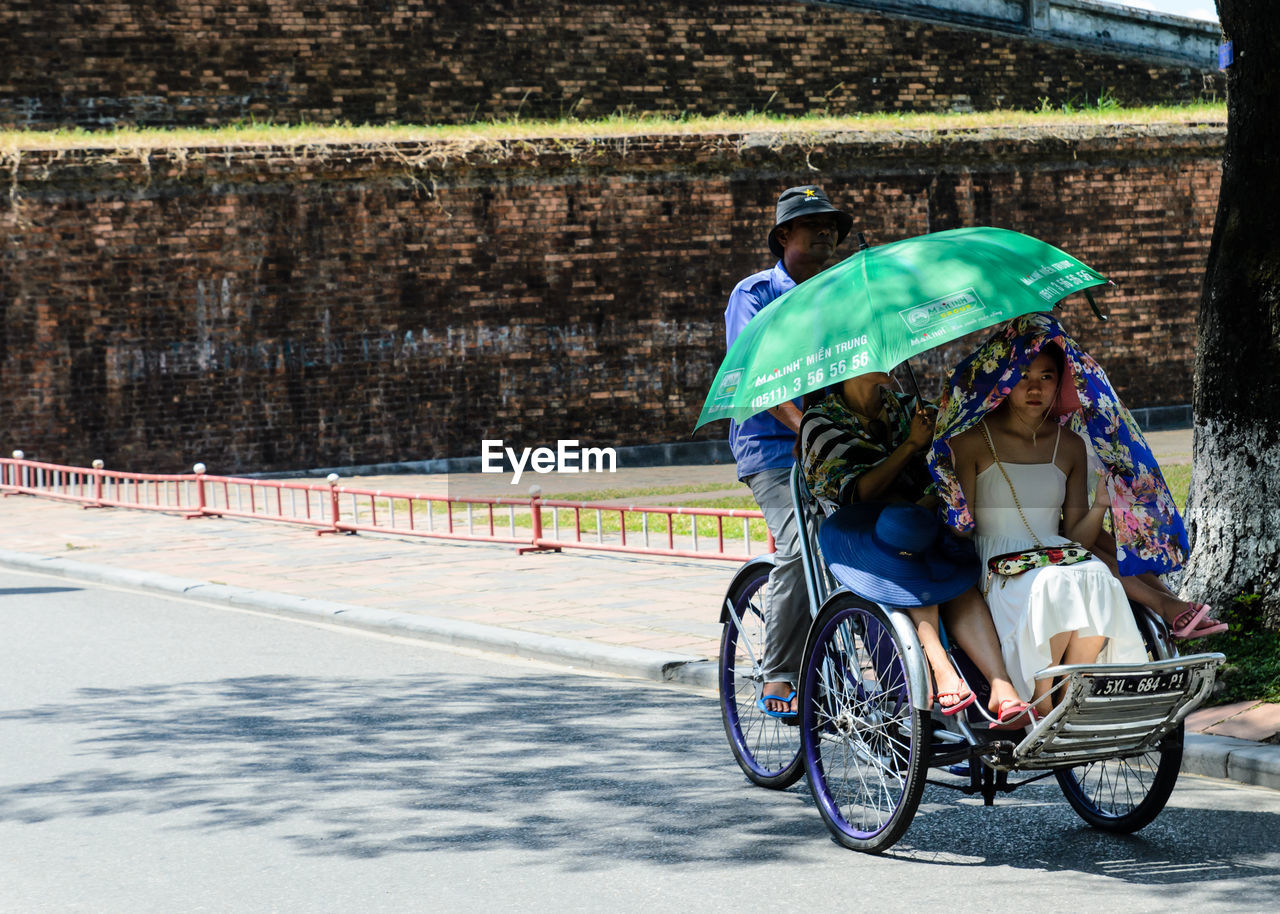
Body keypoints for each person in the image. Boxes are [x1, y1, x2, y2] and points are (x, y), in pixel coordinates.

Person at [801, 371, 1029, 724]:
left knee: (955, 573)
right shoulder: (819, 422)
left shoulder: (907, 407)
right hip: (865, 537)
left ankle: (1001, 684)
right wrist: (910, 445)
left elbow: (947, 462)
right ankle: (939, 667)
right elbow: (857, 493)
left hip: (925, 523)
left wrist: (939, 438)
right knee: (909, 544)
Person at [943, 342, 1148, 715]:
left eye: (1046, 377)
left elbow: (1075, 536)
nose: (1034, 388)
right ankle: (1042, 699)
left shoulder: (1069, 445)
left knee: (1099, 576)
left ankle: (1071, 690)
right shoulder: (972, 440)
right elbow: (963, 527)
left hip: (1057, 551)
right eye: (1023, 377)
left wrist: (1101, 503)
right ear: (1004, 381)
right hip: (998, 560)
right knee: (1052, 583)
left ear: (1059, 385)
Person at [726, 185, 853, 718]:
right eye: (813, 226)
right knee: (803, 548)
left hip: (834, 444)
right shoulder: (754, 296)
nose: (826, 234)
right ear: (784, 236)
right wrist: (804, 430)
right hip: (775, 448)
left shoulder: (837, 295)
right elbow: (754, 376)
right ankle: (778, 673)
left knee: (880, 536)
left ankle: (891, 666)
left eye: (832, 227)